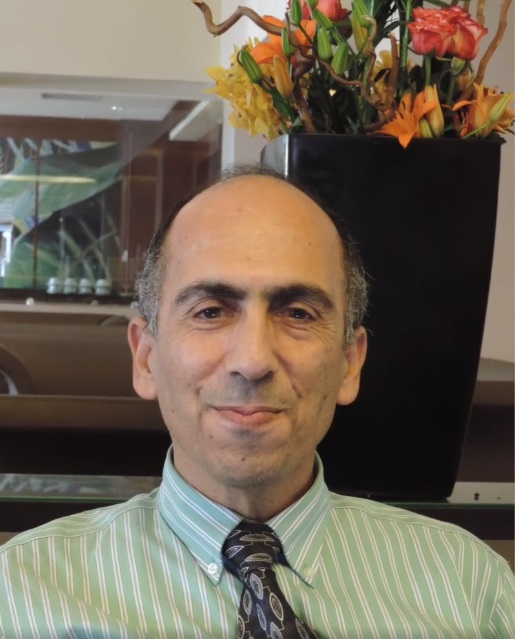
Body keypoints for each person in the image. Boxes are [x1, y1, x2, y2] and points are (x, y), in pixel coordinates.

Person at [0, 165, 513, 638]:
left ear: (350, 363)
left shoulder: (468, 584)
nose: (253, 360)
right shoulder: (22, 594)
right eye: (210, 311)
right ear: (146, 358)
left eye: (298, 313)